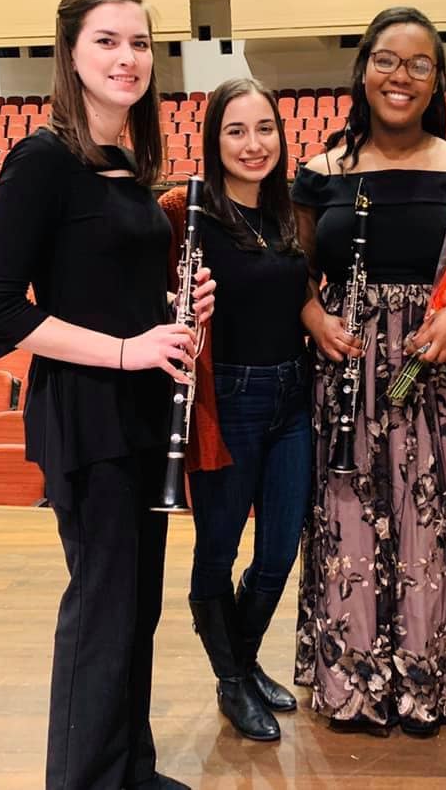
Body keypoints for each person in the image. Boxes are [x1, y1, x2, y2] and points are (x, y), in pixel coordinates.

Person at [0, 0, 214, 790]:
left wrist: (182, 316)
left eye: (140, 43)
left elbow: (128, 304)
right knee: (102, 610)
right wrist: (126, 350)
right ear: (70, 53)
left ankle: (128, 770)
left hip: (143, 411)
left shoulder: (130, 167)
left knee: (136, 607)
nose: (128, 58)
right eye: (108, 41)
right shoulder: (42, 161)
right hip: (87, 413)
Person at [291, 6, 446, 738]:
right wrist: (313, 318)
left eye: (419, 63)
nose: (401, 75)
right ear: (362, 70)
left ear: (437, 80)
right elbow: (292, 270)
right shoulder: (319, 173)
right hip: (351, 379)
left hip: (444, 375)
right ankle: (356, 677)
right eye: (387, 60)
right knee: (353, 515)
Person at [158, 78, 310, 743]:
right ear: (214, 140)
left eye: (265, 129)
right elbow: (155, 299)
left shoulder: (289, 213)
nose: (254, 144)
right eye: (236, 131)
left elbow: (301, 297)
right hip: (232, 400)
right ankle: (232, 679)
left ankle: (239, 664)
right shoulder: (184, 211)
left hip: (292, 397)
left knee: (278, 552)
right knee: (217, 551)